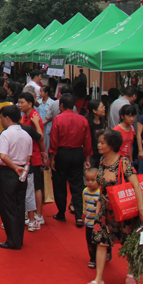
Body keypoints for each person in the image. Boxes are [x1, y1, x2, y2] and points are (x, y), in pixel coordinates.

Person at [85, 130, 143, 284]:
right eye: (99, 142)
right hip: (104, 209)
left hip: (121, 209)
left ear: (112, 145)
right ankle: (98, 279)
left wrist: (141, 209)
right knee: (101, 242)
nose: (99, 145)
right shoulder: (102, 160)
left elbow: (136, 185)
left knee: (127, 240)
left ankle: (131, 271)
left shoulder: (124, 162)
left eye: (102, 143)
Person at [49, 94, 92, 226]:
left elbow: (54, 140)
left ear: (61, 105)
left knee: (59, 184)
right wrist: (87, 157)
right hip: (77, 153)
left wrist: (52, 157)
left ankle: (61, 213)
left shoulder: (58, 119)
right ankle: (79, 216)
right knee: (77, 184)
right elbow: (87, 140)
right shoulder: (82, 119)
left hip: (62, 153)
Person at [0, 105, 30, 250]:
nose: (1, 121)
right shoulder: (26, 134)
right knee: (19, 206)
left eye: (1, 118)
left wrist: (14, 167)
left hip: (9, 171)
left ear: (7, 119)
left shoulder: (6, 134)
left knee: (7, 207)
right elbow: (28, 156)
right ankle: (18, 238)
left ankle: (12, 240)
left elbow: (3, 156)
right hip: (22, 171)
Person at [18, 92, 46, 230]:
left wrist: (43, 153)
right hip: (28, 155)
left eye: (22, 102)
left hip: (34, 156)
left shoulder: (35, 117)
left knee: (36, 187)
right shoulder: (25, 116)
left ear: (30, 104)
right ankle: (30, 212)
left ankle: (38, 215)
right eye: (19, 102)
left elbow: (40, 138)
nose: (19, 105)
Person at [82, 167, 110, 270]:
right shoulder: (85, 191)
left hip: (99, 222)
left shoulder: (100, 192)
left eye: (93, 180)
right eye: (87, 180)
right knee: (90, 242)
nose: (90, 183)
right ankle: (92, 258)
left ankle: (108, 251)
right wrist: (84, 214)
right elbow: (84, 204)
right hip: (89, 222)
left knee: (101, 241)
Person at [38, 86, 56, 150]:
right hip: (39, 125)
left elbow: (53, 115)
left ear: (46, 93)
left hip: (47, 125)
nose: (40, 93)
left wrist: (44, 122)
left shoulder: (52, 103)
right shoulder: (38, 102)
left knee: (47, 142)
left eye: (41, 92)